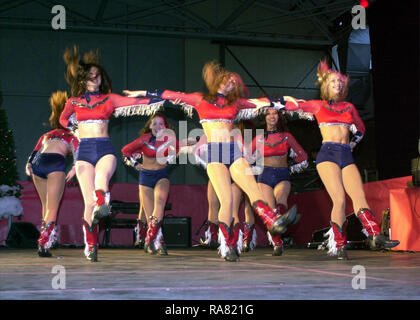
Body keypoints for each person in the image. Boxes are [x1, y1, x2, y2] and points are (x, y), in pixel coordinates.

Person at [123, 61, 300, 262]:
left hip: (233, 152)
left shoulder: (236, 104)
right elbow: (172, 96)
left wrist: (287, 100)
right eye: (228, 81)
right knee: (227, 201)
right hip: (215, 154)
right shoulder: (200, 100)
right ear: (218, 81)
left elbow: (264, 103)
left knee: (253, 191)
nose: (231, 85)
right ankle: (228, 245)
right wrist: (143, 93)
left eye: (234, 84)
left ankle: (272, 222)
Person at [278, 59, 400, 259]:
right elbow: (294, 105)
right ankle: (339, 244)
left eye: (340, 82)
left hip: (346, 154)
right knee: (340, 199)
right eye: (333, 81)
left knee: (359, 196)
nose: (338, 84)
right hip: (328, 155)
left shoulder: (349, 107)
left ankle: (375, 235)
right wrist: (272, 102)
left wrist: (353, 143)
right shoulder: (318, 106)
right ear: (326, 85)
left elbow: (361, 129)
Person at [59, 46, 165, 262]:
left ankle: (102, 202)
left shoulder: (110, 99)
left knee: (102, 179)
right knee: (88, 203)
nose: (95, 80)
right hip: (84, 151)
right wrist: (75, 129)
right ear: (82, 79)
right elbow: (63, 119)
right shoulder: (73, 102)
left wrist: (151, 95)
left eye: (98, 77)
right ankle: (90, 243)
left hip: (105, 149)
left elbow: (139, 103)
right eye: (91, 77)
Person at [25, 91, 78, 257]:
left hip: (38, 164)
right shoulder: (73, 135)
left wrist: (28, 166)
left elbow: (33, 155)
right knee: (53, 207)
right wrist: (75, 168)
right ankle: (43, 242)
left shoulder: (46, 135)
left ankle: (48, 239)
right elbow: (79, 154)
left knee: (46, 205)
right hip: (55, 162)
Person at [249, 108, 308, 256]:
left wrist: (290, 164)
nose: (271, 116)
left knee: (281, 200)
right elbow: (245, 157)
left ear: (279, 116)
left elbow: (303, 156)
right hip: (264, 176)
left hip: (283, 174)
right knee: (270, 210)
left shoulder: (287, 136)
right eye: (268, 113)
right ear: (265, 118)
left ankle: (284, 220)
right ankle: (277, 243)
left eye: (274, 113)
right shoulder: (259, 138)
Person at [122, 113, 179, 255]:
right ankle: (159, 241)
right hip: (145, 178)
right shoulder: (144, 139)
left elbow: (177, 148)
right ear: (150, 126)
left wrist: (171, 158)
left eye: (161, 124)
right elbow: (126, 151)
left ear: (166, 127)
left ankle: (149, 239)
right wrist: (135, 163)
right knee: (150, 217)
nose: (158, 127)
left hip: (161, 176)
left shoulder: (170, 139)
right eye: (154, 124)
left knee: (159, 204)